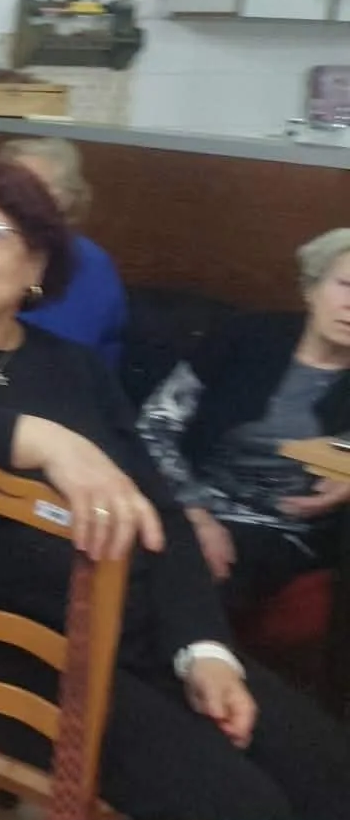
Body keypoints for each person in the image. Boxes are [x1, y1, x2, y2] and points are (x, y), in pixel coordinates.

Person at [0, 156, 350, 820]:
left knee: (325, 768)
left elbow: (160, 508)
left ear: (36, 263)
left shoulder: (72, 367)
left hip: (131, 628)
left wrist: (203, 648)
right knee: (241, 803)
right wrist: (46, 440)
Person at [136, 228, 350, 618]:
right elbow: (156, 425)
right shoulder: (246, 336)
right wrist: (195, 514)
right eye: (345, 285)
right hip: (187, 499)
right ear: (311, 288)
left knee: (203, 574)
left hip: (283, 529)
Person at [2, 137, 127, 366]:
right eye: (7, 186)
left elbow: (58, 352)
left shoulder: (87, 263)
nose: (14, 197)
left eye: (33, 186)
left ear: (67, 198)